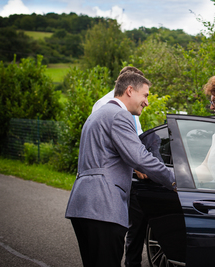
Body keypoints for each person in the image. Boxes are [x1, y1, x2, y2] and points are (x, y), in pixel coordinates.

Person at [65, 71, 176, 267]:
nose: (147, 102)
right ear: (130, 90)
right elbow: (140, 158)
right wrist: (174, 178)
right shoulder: (119, 115)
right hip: (103, 207)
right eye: (145, 95)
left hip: (82, 205)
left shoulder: (97, 114)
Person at [91, 66, 150, 267]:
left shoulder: (129, 109)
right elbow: (115, 143)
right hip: (113, 179)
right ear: (129, 87)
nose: (145, 99)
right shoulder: (106, 105)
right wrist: (138, 164)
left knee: (136, 221)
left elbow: (136, 137)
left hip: (130, 173)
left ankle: (132, 262)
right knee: (117, 229)